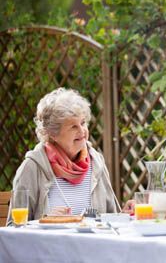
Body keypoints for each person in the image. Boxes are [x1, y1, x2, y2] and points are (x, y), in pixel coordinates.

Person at [11, 88, 123, 221]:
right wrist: (45, 221)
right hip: (50, 242)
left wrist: (127, 214)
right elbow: (14, 228)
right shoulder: (32, 167)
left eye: (82, 123)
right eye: (73, 127)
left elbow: (113, 217)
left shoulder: (96, 161)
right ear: (53, 134)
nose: (82, 131)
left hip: (92, 242)